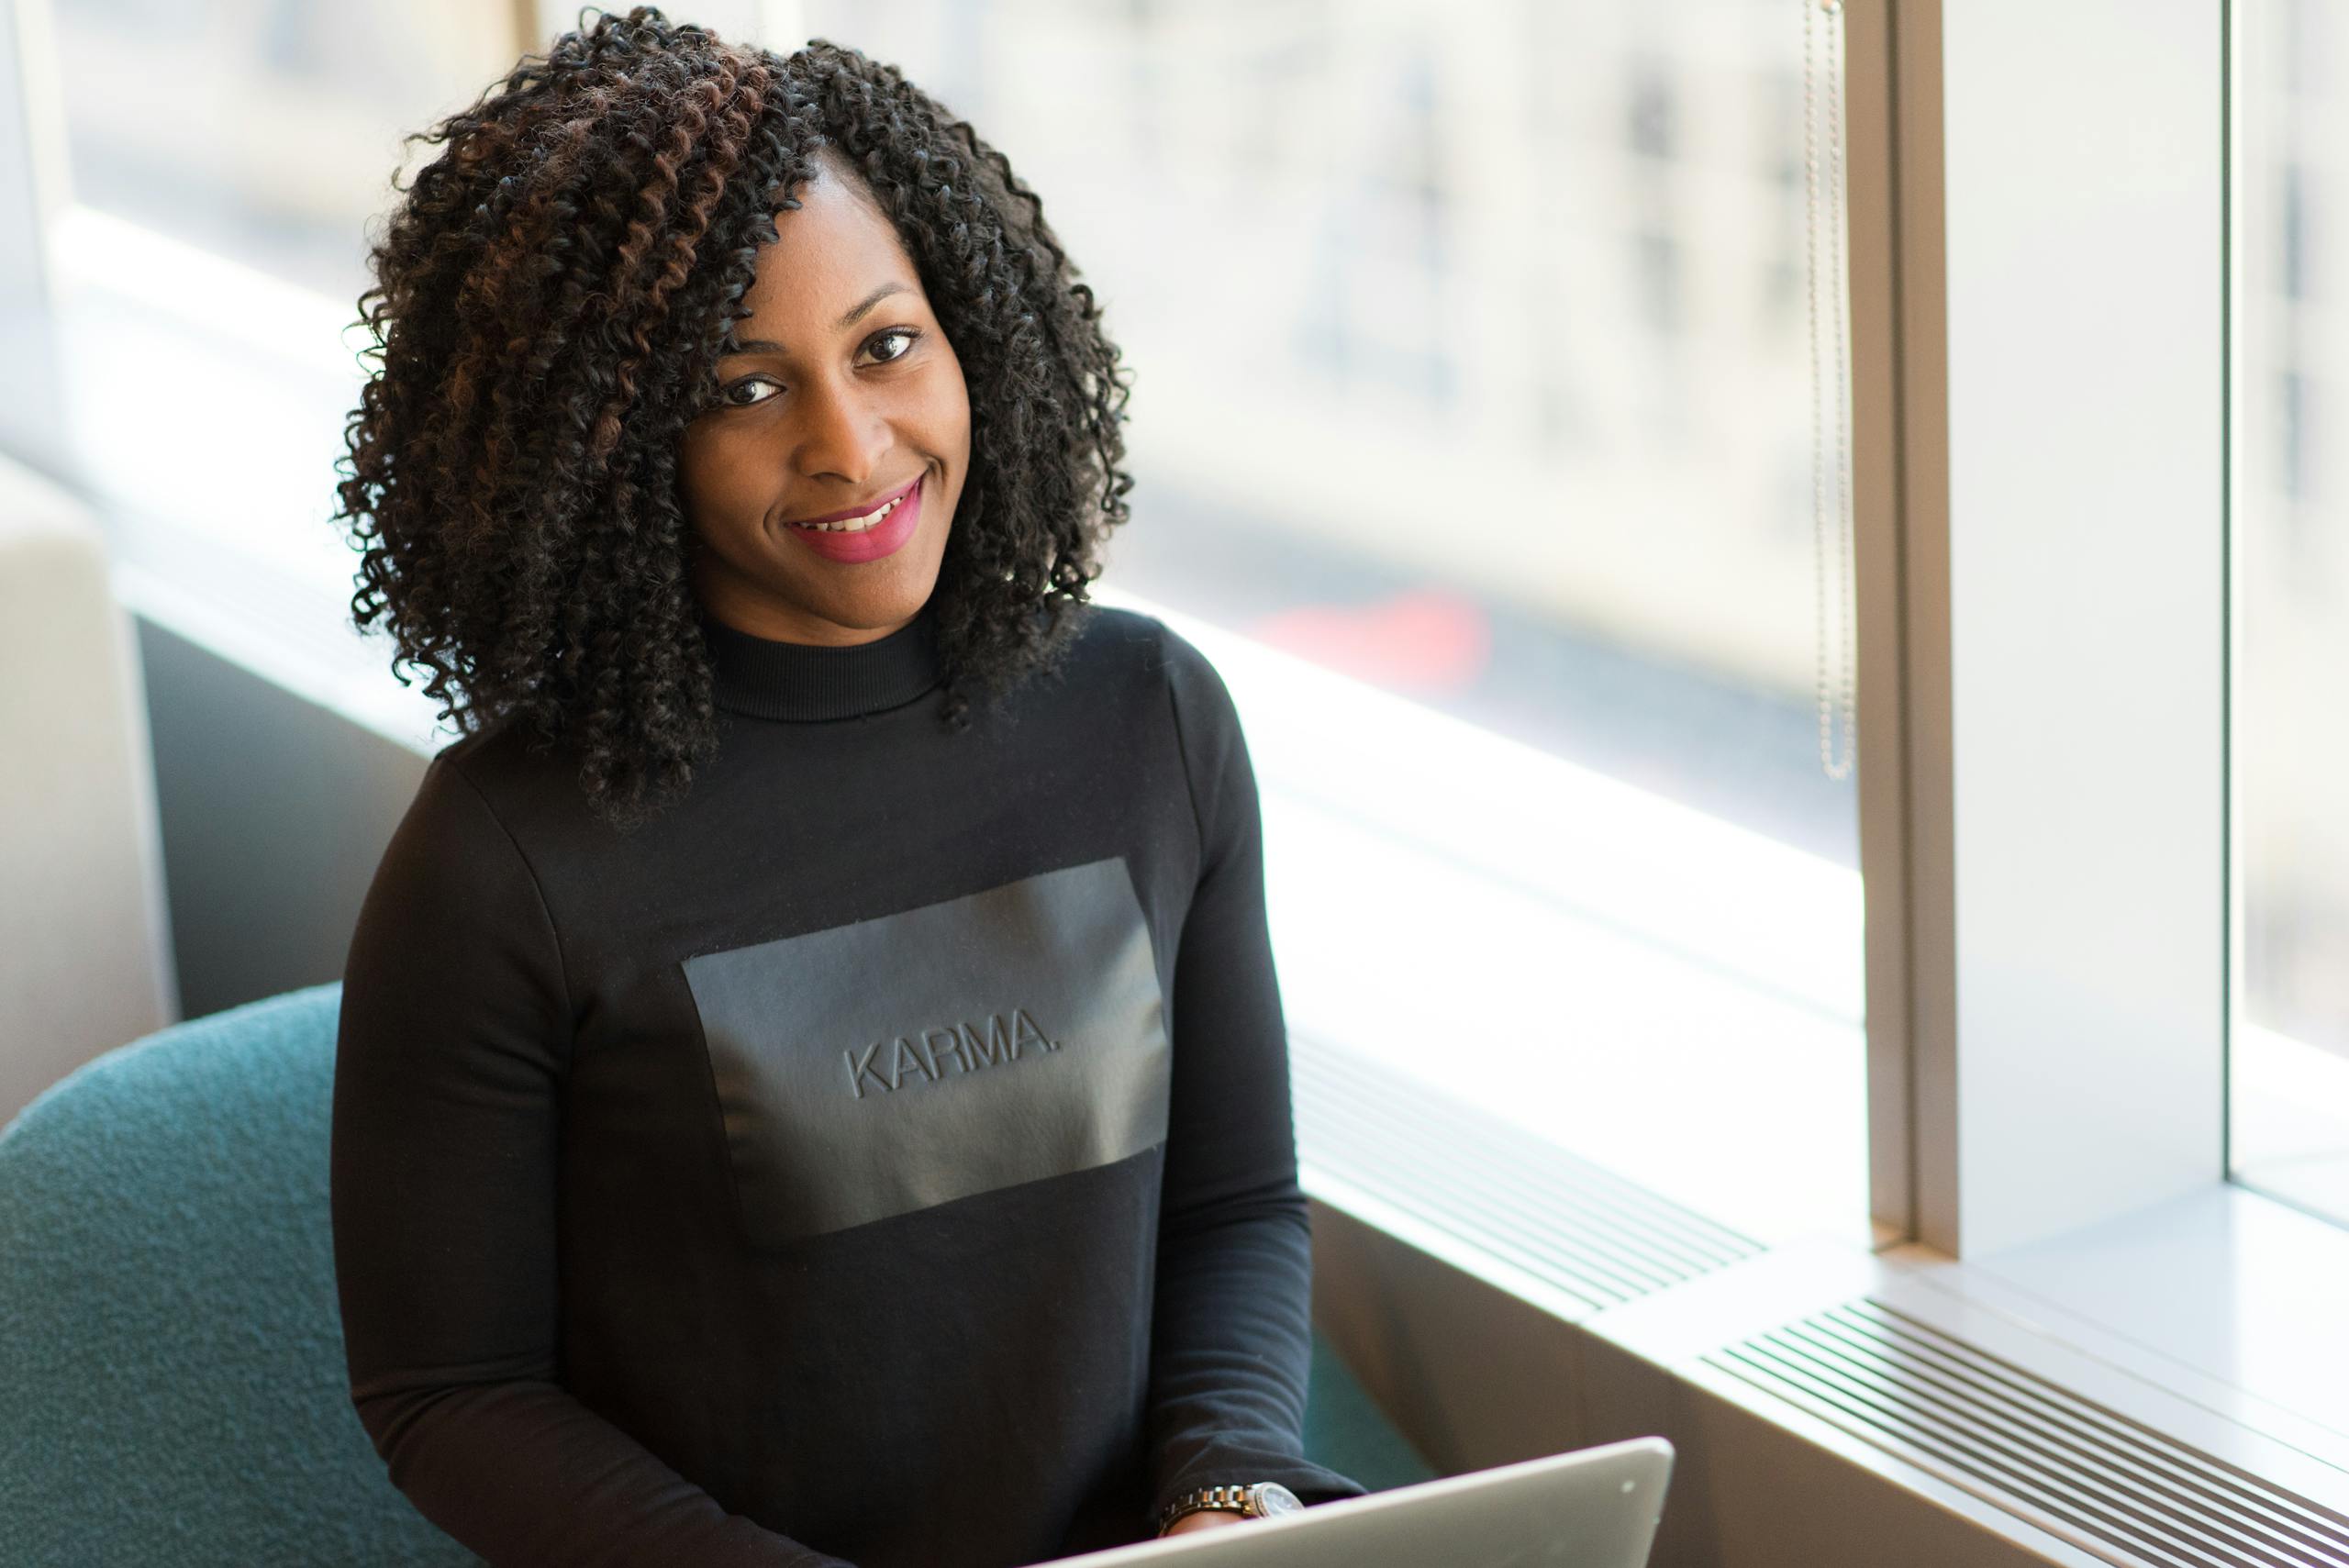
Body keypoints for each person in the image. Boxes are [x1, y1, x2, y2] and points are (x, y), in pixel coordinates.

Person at [325, 7, 1366, 1566]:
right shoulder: (499, 858)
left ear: (972, 337)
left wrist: (1229, 1503)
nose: (850, 445)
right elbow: (451, 1392)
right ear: (614, 448)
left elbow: (1233, 1205)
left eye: (886, 346)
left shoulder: (1146, 719)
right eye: (744, 389)